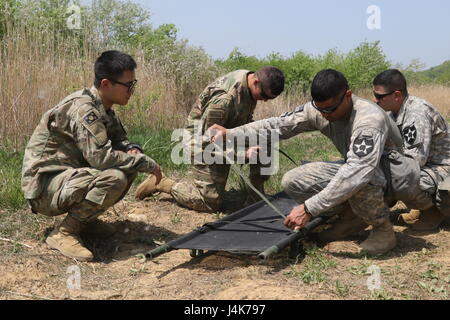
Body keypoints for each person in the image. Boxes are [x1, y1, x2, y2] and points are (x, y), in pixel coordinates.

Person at [209, 69, 408, 255]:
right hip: (360, 167)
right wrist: (231, 134)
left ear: (347, 96)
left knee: (359, 174)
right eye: (319, 109)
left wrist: (309, 208)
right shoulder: (319, 110)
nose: (324, 115)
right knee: (293, 180)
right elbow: (277, 125)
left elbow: (359, 170)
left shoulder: (368, 119)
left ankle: (382, 229)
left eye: (330, 109)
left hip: (392, 177)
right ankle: (350, 216)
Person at [21, 50, 162, 261]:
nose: (132, 91)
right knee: (115, 177)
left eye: (134, 84)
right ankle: (64, 233)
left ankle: (84, 221)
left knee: (127, 167)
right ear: (106, 84)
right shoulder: (84, 109)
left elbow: (120, 142)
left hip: (67, 179)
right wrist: (143, 162)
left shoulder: (103, 107)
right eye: (128, 85)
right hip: (43, 186)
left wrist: (134, 150)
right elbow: (101, 159)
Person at [135, 67, 285, 212]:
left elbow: (244, 120)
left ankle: (256, 195)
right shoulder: (225, 99)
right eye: (264, 96)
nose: (264, 101)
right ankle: (162, 183)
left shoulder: (250, 84)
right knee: (209, 203)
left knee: (266, 139)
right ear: (256, 82)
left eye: (269, 98)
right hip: (200, 142)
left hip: (225, 135)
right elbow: (208, 141)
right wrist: (243, 154)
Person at [373, 69, 450, 230]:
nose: (375, 100)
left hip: (443, 166)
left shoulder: (416, 113)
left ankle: (433, 211)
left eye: (380, 96)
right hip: (429, 165)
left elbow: (415, 161)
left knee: (404, 180)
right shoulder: (391, 113)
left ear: (396, 95)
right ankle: (420, 206)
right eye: (375, 95)